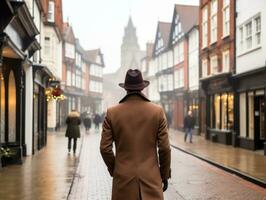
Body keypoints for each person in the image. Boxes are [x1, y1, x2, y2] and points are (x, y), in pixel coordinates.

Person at [100, 69, 171, 200]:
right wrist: (164, 174)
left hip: (123, 179)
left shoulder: (112, 113)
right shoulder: (157, 111)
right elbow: (165, 148)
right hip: (151, 179)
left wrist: (114, 169)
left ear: (125, 88)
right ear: (142, 88)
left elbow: (105, 149)